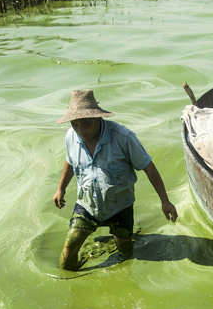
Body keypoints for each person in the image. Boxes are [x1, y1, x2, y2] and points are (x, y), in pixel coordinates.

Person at [53, 89, 178, 271]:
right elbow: (70, 161)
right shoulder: (71, 136)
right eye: (75, 124)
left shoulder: (123, 137)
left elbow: (148, 167)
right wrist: (61, 189)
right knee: (67, 255)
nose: (80, 130)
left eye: (86, 124)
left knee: (126, 256)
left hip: (120, 206)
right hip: (87, 205)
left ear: (98, 118)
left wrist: (165, 201)